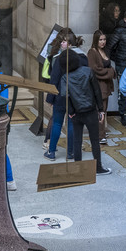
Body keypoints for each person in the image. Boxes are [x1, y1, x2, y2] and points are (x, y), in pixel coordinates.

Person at [63, 47, 110, 175]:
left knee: (77, 141)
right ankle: (98, 167)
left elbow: (65, 96)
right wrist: (101, 110)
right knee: (95, 140)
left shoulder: (65, 77)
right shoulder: (88, 71)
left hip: (76, 113)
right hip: (90, 111)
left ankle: (78, 168)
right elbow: (96, 91)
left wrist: (71, 111)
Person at [42, 30, 83, 160]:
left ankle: (52, 152)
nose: (61, 43)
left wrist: (50, 97)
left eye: (64, 41)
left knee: (58, 123)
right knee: (71, 124)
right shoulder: (83, 57)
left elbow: (54, 79)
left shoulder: (59, 58)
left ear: (70, 44)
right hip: (75, 95)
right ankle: (70, 152)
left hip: (60, 95)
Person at [86, 30, 117, 116]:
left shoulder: (105, 51)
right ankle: (99, 129)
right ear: (96, 40)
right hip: (98, 86)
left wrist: (110, 71)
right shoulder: (92, 52)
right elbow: (94, 70)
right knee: (99, 111)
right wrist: (110, 72)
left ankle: (101, 129)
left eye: (104, 39)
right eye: (100, 40)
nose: (103, 42)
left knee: (103, 110)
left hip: (106, 85)